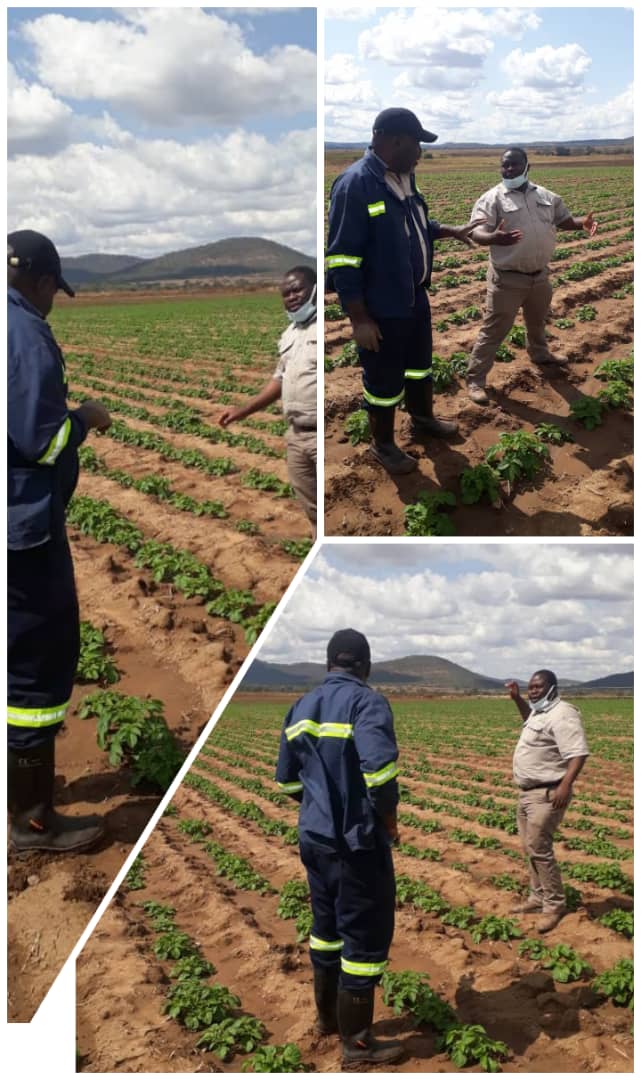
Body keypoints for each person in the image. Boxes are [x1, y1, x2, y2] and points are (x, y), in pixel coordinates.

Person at [8, 229, 113, 853]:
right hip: (22, 529)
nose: (53, 302)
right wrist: (86, 419)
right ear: (44, 283)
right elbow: (41, 441)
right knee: (35, 667)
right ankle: (32, 820)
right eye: (54, 291)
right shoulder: (23, 334)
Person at [326, 107, 484, 475]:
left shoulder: (402, 178)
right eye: (417, 145)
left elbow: (416, 225)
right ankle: (383, 444)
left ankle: (423, 419)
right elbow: (343, 259)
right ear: (395, 141)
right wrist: (359, 318)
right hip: (380, 307)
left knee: (418, 367)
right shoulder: (356, 184)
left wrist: (449, 230)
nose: (420, 154)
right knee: (382, 378)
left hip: (414, 297)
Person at [275, 629, 402, 1066]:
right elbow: (380, 773)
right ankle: (358, 1044)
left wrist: (318, 807)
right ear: (364, 665)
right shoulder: (367, 702)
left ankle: (327, 1020)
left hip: (315, 839)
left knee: (326, 928)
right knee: (363, 938)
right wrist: (388, 819)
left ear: (330, 663)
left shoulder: (301, 706)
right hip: (356, 843)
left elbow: (287, 780)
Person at [466, 147, 598, 405]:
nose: (509, 170)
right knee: (494, 331)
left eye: (515, 165)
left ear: (528, 166)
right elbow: (476, 232)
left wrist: (581, 222)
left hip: (539, 276)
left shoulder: (546, 195)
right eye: (505, 166)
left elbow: (562, 220)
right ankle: (475, 380)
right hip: (507, 279)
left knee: (537, 321)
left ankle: (539, 354)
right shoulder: (492, 198)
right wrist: (491, 237)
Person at [220, 265, 317, 536]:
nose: (292, 297)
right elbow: (280, 380)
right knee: (312, 508)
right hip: (297, 436)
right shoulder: (290, 334)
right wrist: (243, 411)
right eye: (286, 294)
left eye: (297, 289)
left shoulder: (323, 328)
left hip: (320, 434)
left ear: (315, 288)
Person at [506, 670, 590, 932]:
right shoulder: (541, 713)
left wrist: (566, 785)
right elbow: (529, 720)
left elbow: (578, 753)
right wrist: (518, 700)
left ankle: (554, 905)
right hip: (529, 792)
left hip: (548, 793)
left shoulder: (563, 714)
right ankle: (537, 896)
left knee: (540, 848)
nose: (533, 691)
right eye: (530, 687)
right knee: (531, 847)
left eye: (538, 687)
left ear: (552, 688)